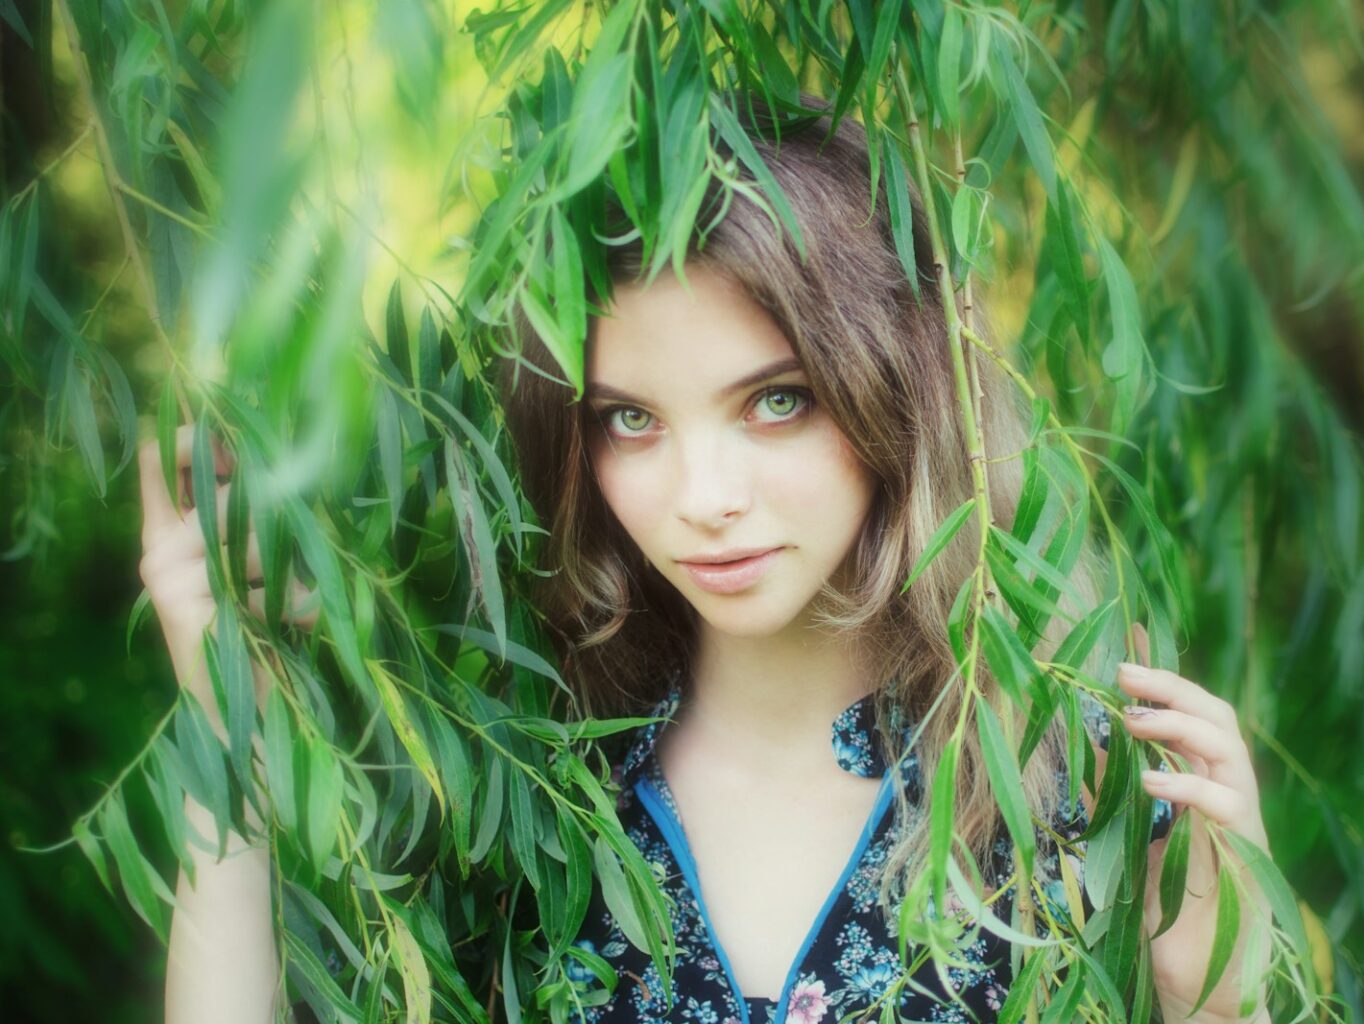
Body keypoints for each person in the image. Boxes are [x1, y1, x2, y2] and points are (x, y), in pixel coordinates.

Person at [141, 101, 1274, 1024]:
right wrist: (223, 704)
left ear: (900, 385)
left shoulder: (1073, 782)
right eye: (631, 420)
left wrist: (1221, 1007)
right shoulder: (523, 786)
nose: (703, 499)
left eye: (775, 401)